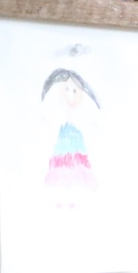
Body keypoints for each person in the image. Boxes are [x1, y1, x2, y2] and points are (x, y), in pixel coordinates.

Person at [41, 67, 100, 208]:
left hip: (76, 142)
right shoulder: (59, 110)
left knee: (76, 169)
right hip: (63, 143)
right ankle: (61, 198)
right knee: (62, 169)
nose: (70, 95)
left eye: (74, 91)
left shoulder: (80, 113)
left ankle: (74, 199)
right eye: (66, 89)